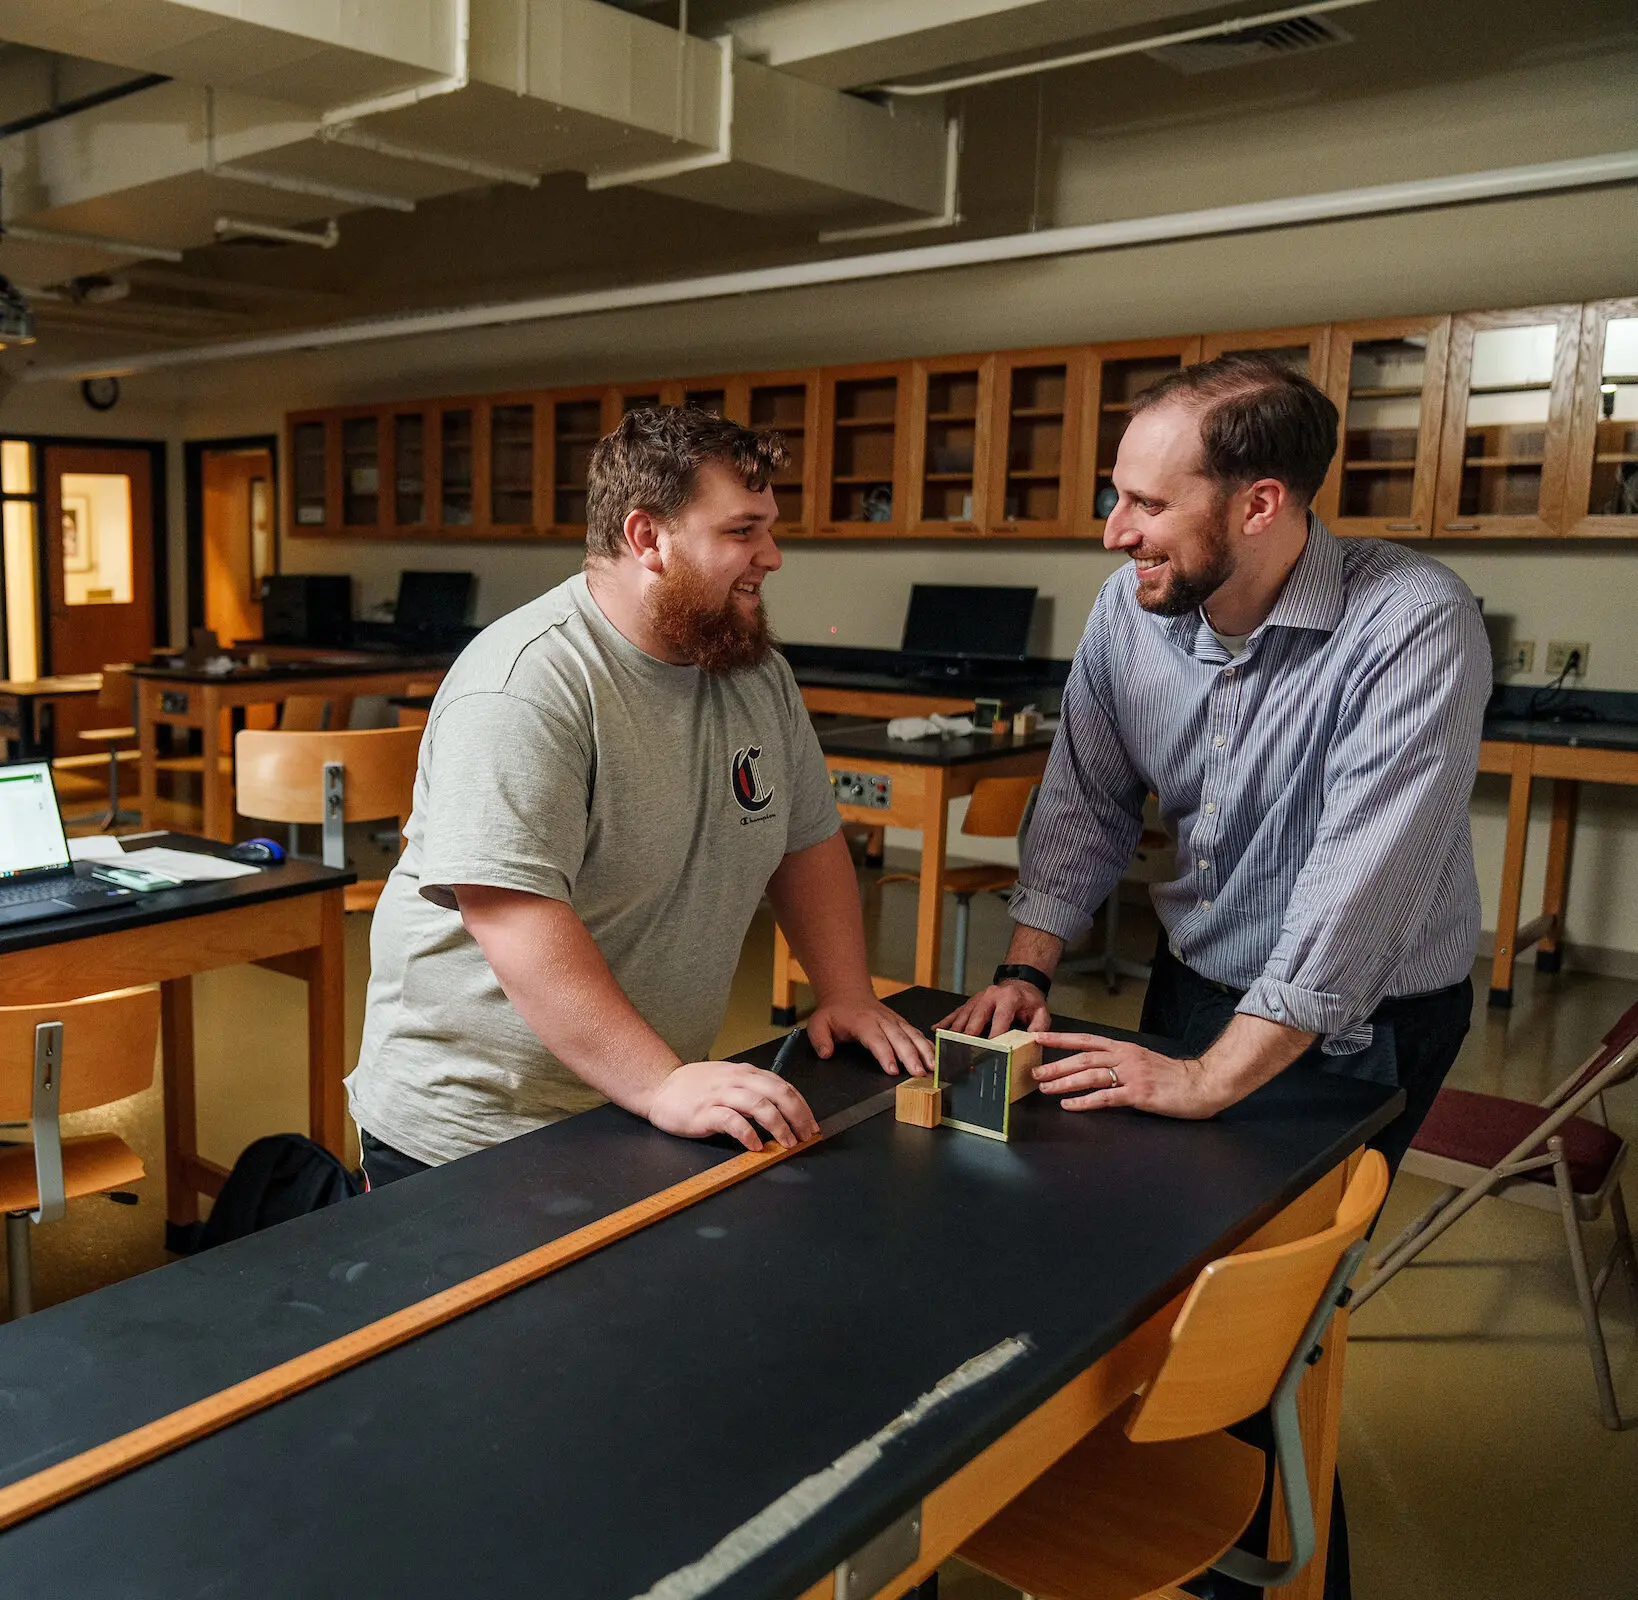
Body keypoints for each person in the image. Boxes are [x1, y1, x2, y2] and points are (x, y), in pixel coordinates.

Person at [943, 353, 1489, 1599]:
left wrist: (1210, 1082)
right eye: (1114, 494)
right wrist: (1030, 962)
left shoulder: (1412, 622)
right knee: (1141, 1274)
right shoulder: (1127, 605)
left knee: (1250, 1318)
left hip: (1370, 1014)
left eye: (1146, 501)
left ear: (1261, 504)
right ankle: (1149, 1520)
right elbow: (1085, 792)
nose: (1113, 528)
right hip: (1199, 983)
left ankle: (1269, 1565)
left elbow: (1355, 899)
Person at [348, 406, 931, 1186]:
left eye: (769, 529)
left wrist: (848, 993)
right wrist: (657, 1082)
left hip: (635, 1095)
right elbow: (515, 915)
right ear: (647, 538)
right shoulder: (524, 686)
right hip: (475, 1131)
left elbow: (806, 838)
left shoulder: (753, 670)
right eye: (742, 532)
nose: (773, 556)